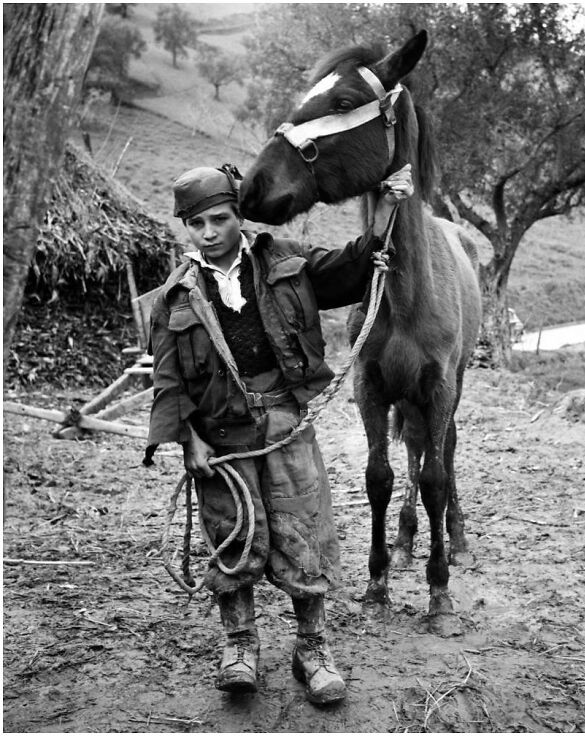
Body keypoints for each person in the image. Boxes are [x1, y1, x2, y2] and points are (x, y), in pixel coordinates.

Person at [147, 162, 413, 705]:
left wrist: (385, 209)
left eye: (219, 219)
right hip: (220, 437)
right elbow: (168, 380)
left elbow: (349, 268)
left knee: (303, 533)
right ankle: (239, 645)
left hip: (286, 426)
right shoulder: (175, 299)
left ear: (238, 215)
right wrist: (187, 440)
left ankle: (311, 649)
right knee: (232, 535)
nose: (210, 233)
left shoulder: (285, 261)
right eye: (196, 225)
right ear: (186, 229)